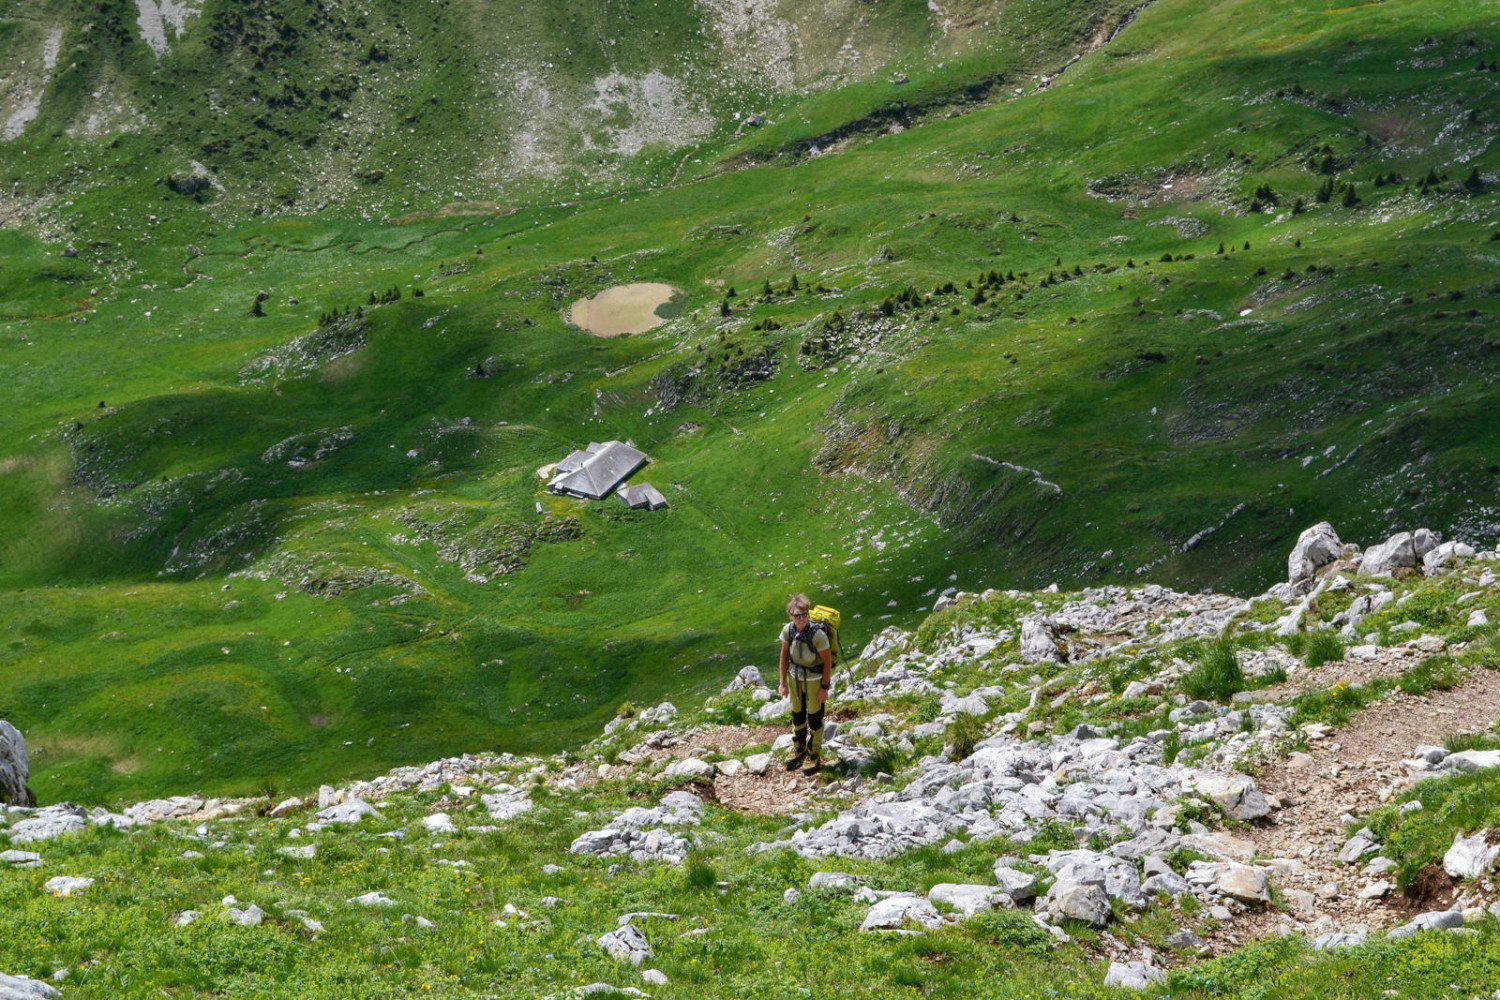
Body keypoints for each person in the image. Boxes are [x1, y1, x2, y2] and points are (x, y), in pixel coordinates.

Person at [777, 593, 831, 775]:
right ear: (790, 615)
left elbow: (827, 662)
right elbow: (784, 657)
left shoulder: (818, 635)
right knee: (797, 714)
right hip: (795, 679)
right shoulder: (788, 631)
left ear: (808, 614)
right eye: (796, 615)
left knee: (815, 717)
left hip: (814, 680)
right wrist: (782, 683)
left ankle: (814, 753)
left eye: (804, 615)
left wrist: (824, 688)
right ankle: (799, 747)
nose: (800, 619)